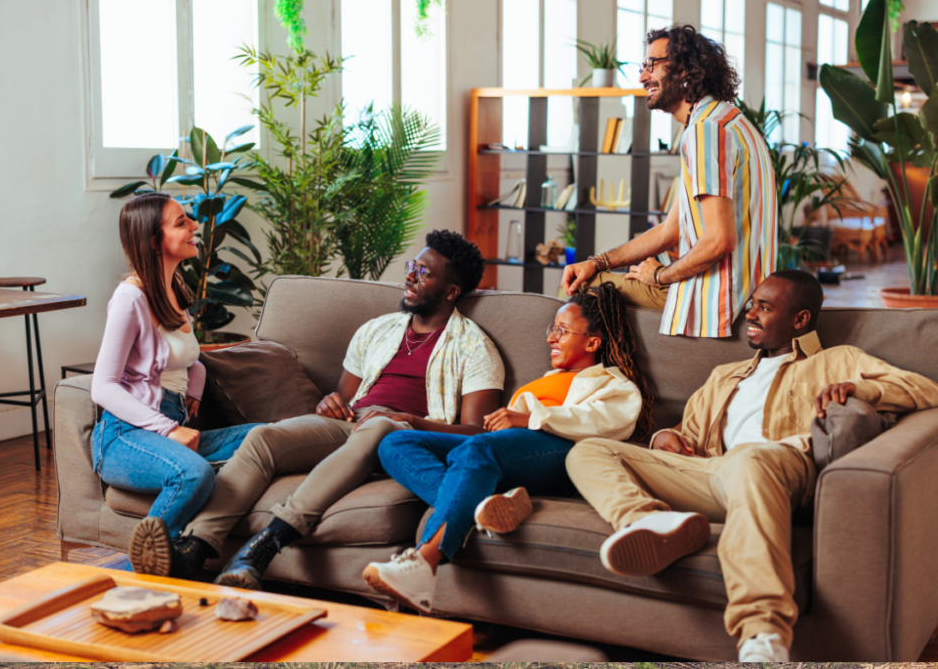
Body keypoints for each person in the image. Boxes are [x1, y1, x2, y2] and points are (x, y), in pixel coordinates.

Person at [564, 270, 938, 661]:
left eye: (764, 306)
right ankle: (647, 522)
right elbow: (685, 432)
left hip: (782, 468)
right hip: (714, 475)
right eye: (752, 303)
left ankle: (763, 636)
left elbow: (927, 389)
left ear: (801, 320)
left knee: (749, 457)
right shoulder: (724, 376)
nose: (751, 313)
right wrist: (664, 438)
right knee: (589, 450)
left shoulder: (838, 360)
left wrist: (861, 389)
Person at [129, 229, 506, 586]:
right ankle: (195, 547)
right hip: (353, 424)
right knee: (263, 437)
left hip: (407, 436)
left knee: (378, 425)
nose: (410, 277)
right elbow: (343, 400)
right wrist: (330, 402)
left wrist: (408, 419)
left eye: (423, 273)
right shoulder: (377, 329)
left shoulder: (473, 347)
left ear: (452, 291)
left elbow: (475, 434)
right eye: (411, 267)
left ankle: (264, 547)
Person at [361, 282, 654, 613]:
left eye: (562, 330)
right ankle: (487, 505)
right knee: (395, 442)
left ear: (593, 342)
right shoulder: (542, 382)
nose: (551, 338)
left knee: (476, 451)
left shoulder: (615, 385)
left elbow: (601, 422)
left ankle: (423, 563)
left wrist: (528, 417)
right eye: (551, 329)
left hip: (562, 453)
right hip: (503, 450)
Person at [561, 24, 776, 339]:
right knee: (592, 274)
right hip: (745, 290)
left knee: (575, 287)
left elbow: (719, 240)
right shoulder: (731, 122)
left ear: (686, 70)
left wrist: (660, 275)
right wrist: (598, 262)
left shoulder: (705, 132)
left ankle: (594, 384)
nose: (642, 76)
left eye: (652, 65)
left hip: (719, 297)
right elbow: (669, 230)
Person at [91, 193, 260, 572]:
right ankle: (125, 572)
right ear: (154, 240)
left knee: (267, 437)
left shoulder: (175, 288)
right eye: (181, 222)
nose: (194, 226)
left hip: (173, 423)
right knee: (192, 472)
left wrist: (194, 387)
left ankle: (177, 561)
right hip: (125, 436)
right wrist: (168, 429)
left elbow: (186, 355)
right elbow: (102, 386)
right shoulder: (130, 298)